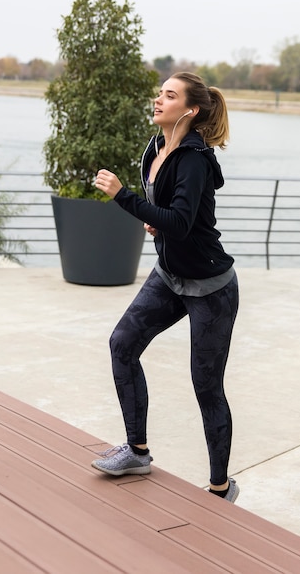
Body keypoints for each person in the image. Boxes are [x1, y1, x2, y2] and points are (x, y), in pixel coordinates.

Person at [92, 72, 239, 502]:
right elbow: (172, 217)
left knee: (206, 387)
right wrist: (155, 217)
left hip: (211, 286)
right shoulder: (157, 147)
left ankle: (220, 488)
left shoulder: (193, 159)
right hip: (170, 275)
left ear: (190, 111)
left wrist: (124, 197)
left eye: (169, 95)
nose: (158, 99)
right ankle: (136, 451)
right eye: (160, 92)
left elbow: (181, 221)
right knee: (122, 344)